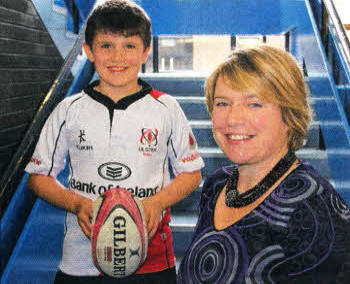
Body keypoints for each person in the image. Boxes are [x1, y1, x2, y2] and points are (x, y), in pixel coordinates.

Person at [25, 1, 204, 283]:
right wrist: (76, 203)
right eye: (106, 45)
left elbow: (191, 173)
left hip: (151, 258)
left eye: (129, 46)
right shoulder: (68, 109)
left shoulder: (166, 108)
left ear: (145, 51)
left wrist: (156, 203)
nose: (117, 56)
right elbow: (38, 178)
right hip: (80, 260)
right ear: (88, 51)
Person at [177, 45, 350, 284]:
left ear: (289, 116)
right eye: (222, 103)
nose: (233, 119)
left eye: (254, 103)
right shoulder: (217, 185)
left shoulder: (314, 208)